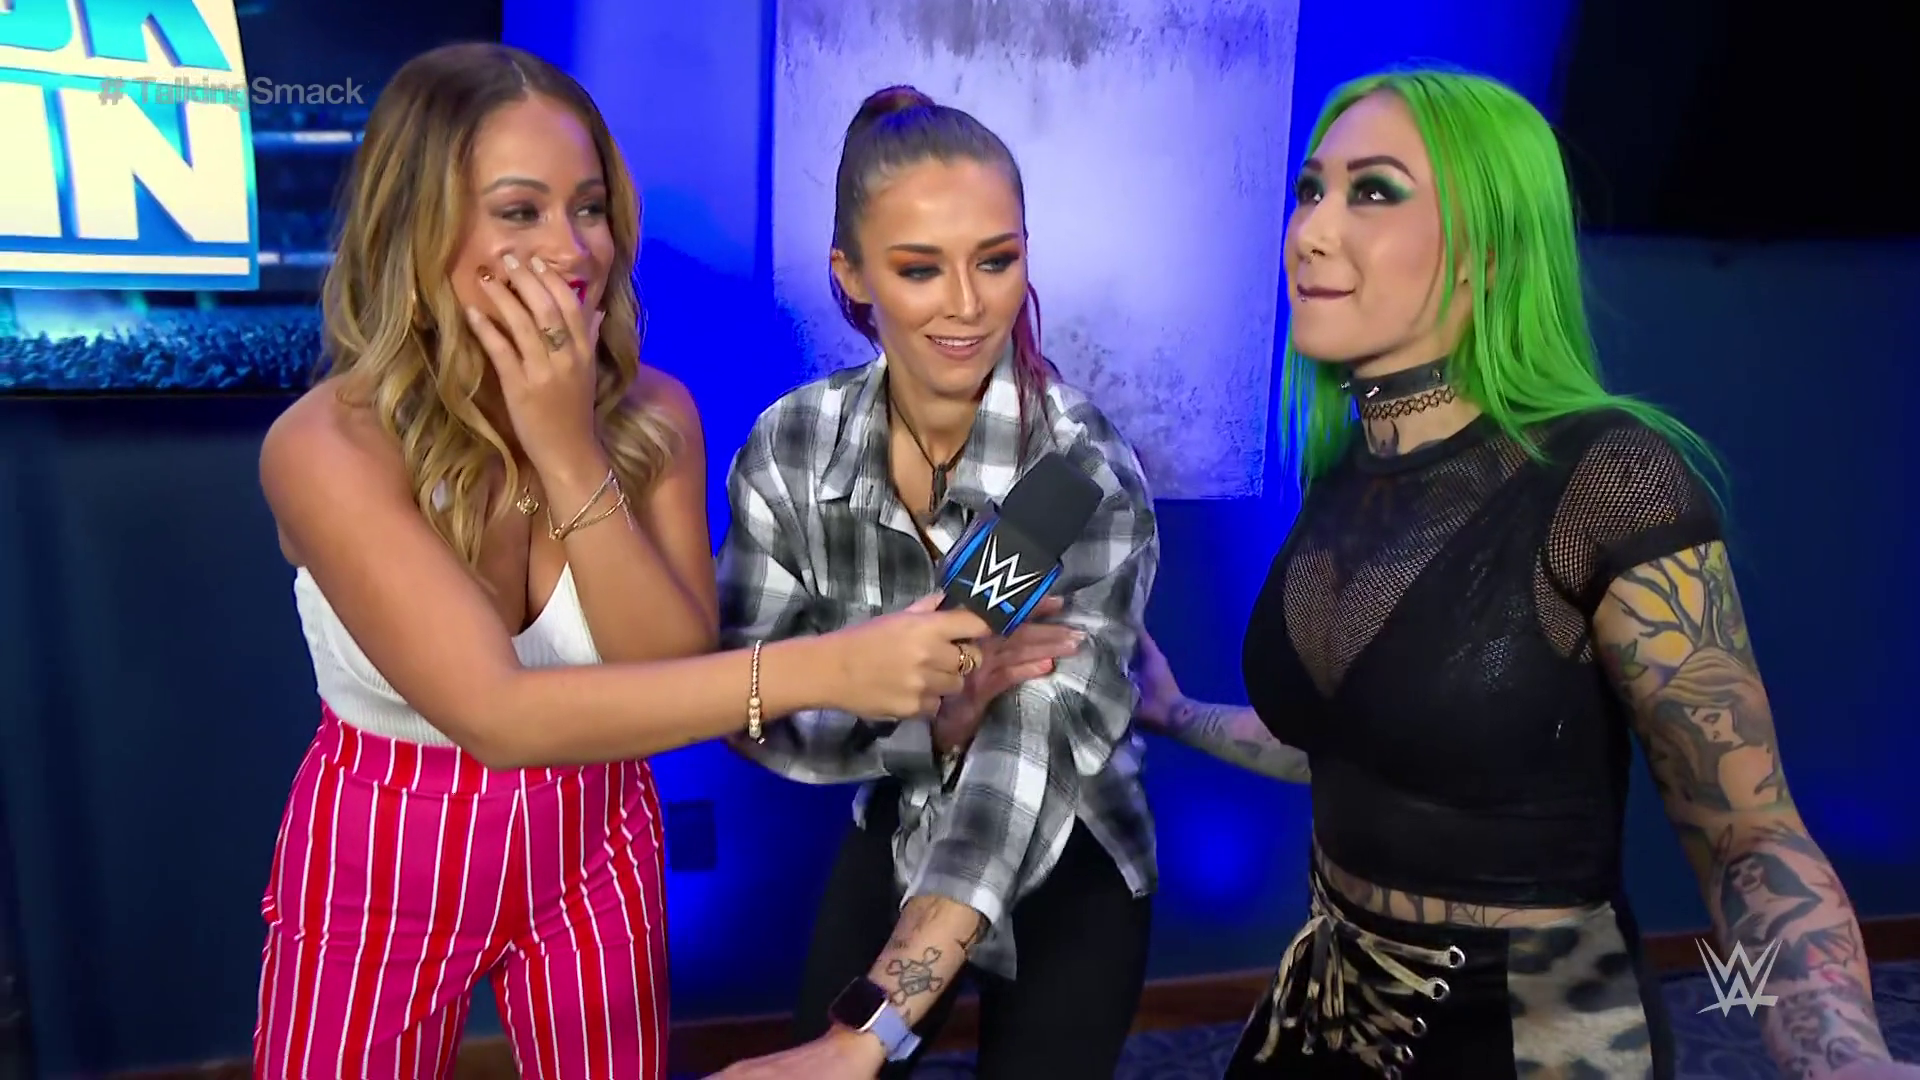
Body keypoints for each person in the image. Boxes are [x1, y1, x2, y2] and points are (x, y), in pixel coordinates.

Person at [250, 46, 992, 1080]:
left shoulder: (656, 414)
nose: (573, 249)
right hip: (386, 840)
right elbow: (498, 718)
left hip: (595, 836)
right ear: (419, 230)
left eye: (589, 208)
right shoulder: (324, 447)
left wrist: (569, 452)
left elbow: (667, 667)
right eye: (521, 211)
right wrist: (832, 668)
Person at [1169, 69, 1919, 1080]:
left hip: (1541, 1034)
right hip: (1328, 1007)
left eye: (1374, 191)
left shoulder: (1606, 480)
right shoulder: (1344, 473)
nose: (1310, 229)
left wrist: (1844, 1055)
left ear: (1488, 252)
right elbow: (1359, 746)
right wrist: (1172, 711)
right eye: (1311, 190)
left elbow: (1749, 836)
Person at [711, 86, 1161, 1079]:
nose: (967, 303)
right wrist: (929, 726)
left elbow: (1026, 732)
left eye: (996, 260)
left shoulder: (1071, 470)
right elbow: (746, 704)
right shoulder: (791, 448)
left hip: (1072, 825)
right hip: (901, 809)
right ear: (852, 273)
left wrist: (865, 1035)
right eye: (920, 268)